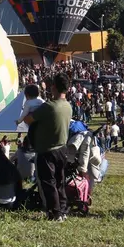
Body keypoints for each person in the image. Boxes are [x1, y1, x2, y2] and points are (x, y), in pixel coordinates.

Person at [24, 73, 73, 221]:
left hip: (47, 150)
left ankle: (54, 213)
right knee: (60, 181)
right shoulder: (68, 106)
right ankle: (62, 210)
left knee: (48, 183)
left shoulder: (49, 106)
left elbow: (28, 119)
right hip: (62, 149)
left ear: (54, 87)